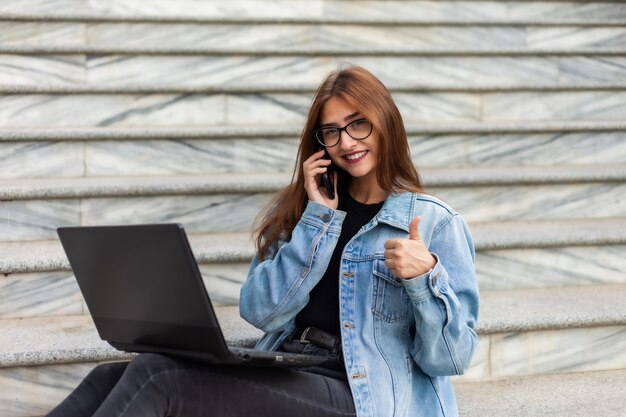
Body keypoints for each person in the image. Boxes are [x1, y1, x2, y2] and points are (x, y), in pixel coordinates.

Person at [46, 66, 479, 417]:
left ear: (385, 122)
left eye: (358, 124)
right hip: (294, 366)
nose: (346, 142)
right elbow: (261, 313)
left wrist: (424, 280)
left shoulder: (434, 223)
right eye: (331, 132)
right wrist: (318, 221)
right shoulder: (309, 213)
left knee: (161, 377)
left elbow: (450, 359)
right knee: (113, 375)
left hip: (364, 396)